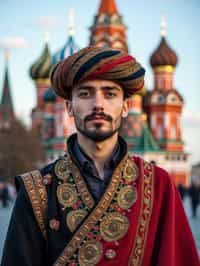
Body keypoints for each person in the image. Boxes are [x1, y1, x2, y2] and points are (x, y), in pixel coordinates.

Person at [1, 47, 199, 266]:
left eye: (110, 93)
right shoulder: (36, 191)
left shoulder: (159, 185)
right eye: (85, 93)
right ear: (68, 107)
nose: (98, 104)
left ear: (125, 106)